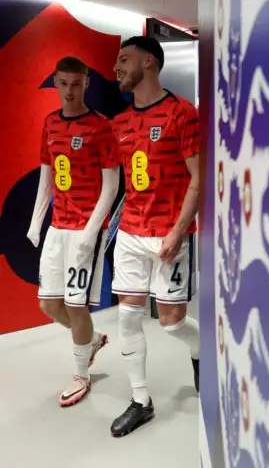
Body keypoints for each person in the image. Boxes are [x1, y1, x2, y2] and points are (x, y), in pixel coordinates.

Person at [109, 36, 201, 437]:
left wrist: (179, 231)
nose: (116, 67)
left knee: (170, 323)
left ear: (150, 63)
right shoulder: (119, 123)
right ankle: (140, 400)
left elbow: (198, 179)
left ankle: (202, 352)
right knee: (127, 316)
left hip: (169, 233)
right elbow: (125, 183)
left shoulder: (183, 113)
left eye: (124, 59)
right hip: (131, 231)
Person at [27, 56, 120, 407]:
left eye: (75, 83)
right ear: (55, 82)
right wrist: (37, 223)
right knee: (48, 305)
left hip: (87, 227)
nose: (69, 90)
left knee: (75, 304)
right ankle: (92, 340)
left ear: (86, 84)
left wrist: (90, 233)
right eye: (63, 83)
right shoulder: (50, 124)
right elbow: (46, 178)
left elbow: (111, 186)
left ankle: (82, 372)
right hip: (58, 226)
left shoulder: (101, 127)